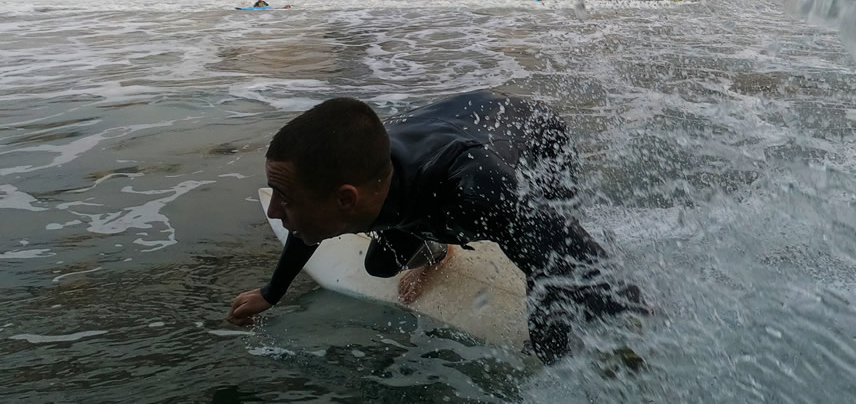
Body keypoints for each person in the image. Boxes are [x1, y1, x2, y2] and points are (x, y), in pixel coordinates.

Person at [227, 91, 644, 363]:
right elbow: (307, 228)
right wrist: (272, 292)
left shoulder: (475, 192)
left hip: (537, 137)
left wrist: (608, 344)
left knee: (548, 270)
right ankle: (438, 252)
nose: (275, 212)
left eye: (286, 200)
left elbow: (579, 270)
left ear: (346, 199)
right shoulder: (362, 172)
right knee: (379, 266)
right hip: (450, 129)